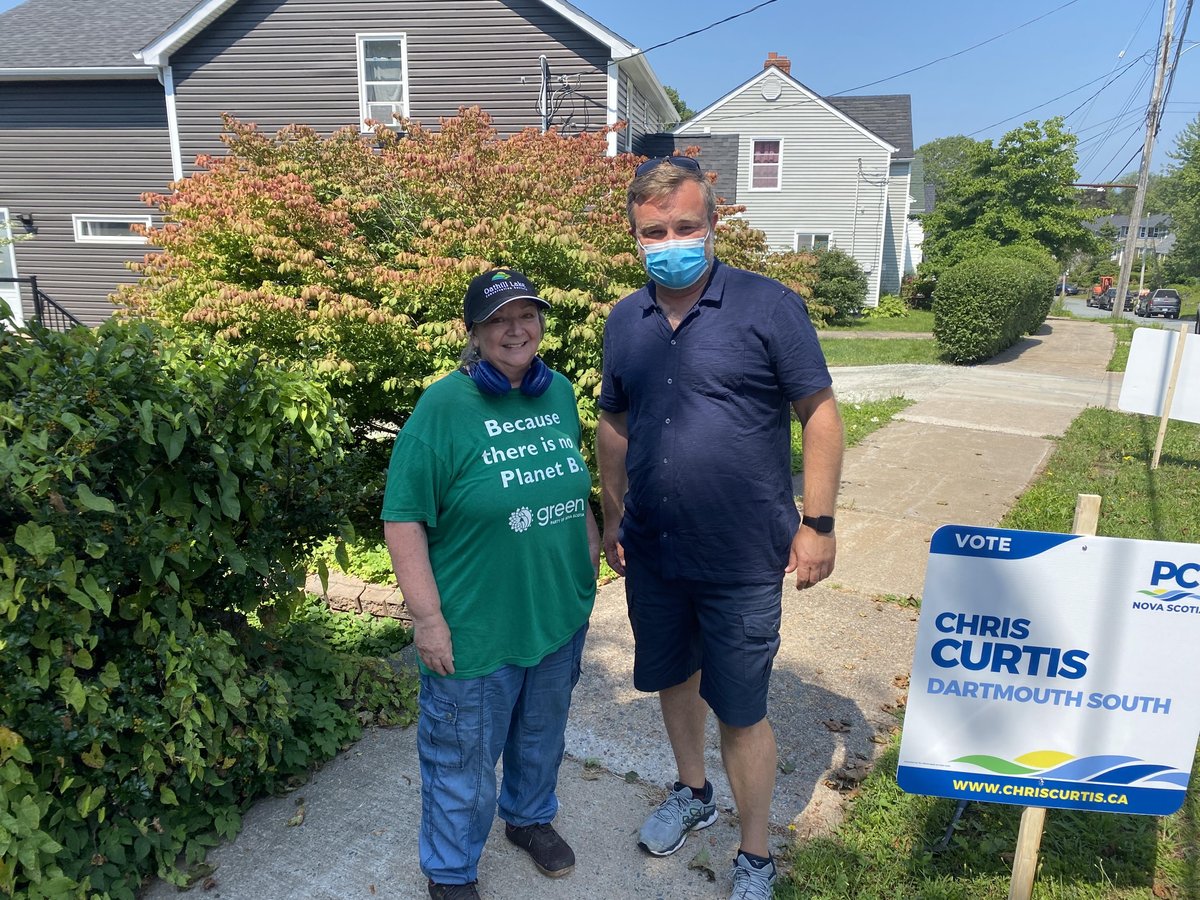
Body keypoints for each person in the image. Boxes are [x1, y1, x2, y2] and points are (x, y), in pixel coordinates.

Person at [596, 157, 844, 900]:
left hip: (741, 555)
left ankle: (756, 855)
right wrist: (613, 514)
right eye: (653, 231)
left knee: (741, 709)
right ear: (634, 237)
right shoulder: (625, 319)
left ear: (713, 224)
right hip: (655, 550)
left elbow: (821, 415)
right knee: (674, 680)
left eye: (684, 226)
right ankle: (692, 793)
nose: (670, 240)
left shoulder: (769, 307)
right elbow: (614, 421)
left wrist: (820, 523)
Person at [383, 268, 600, 900]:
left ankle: (529, 819)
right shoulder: (443, 408)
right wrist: (427, 619)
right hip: (475, 628)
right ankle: (451, 872)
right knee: (462, 762)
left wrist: (587, 560)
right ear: (474, 333)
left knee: (542, 734)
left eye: (526, 315)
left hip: (556, 615)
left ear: (540, 323)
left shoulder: (556, 392)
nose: (515, 329)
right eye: (498, 319)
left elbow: (571, 486)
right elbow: (403, 517)